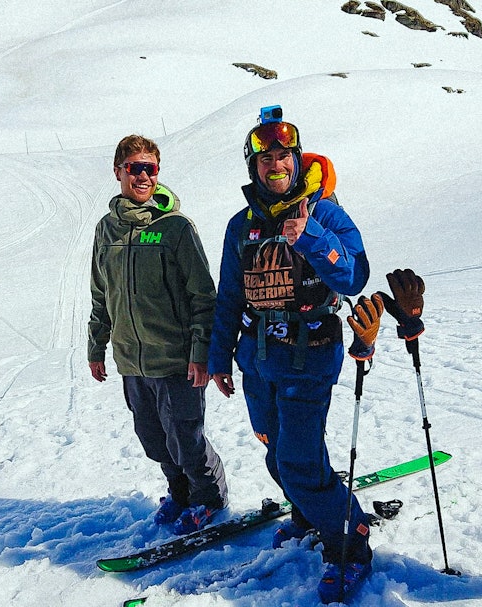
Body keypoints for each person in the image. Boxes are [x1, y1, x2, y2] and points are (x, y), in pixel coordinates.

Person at [207, 105, 374, 604]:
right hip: (257, 361)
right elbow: (229, 296)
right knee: (276, 451)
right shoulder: (242, 225)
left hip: (311, 353)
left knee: (299, 460)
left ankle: (350, 545)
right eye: (265, 158)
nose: (275, 165)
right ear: (253, 167)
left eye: (284, 155)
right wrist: (219, 357)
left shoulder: (325, 213)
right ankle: (306, 515)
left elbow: (355, 276)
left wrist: (314, 239)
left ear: (297, 161)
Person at [88, 134, 229, 535]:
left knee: (186, 437)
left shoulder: (176, 228)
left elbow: (204, 296)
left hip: (176, 359)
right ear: (118, 172)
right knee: (153, 438)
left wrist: (202, 353)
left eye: (150, 168)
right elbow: (101, 292)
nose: (144, 176)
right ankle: (180, 492)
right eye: (135, 168)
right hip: (132, 359)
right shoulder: (106, 230)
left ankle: (209, 496)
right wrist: (96, 345)